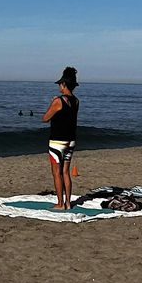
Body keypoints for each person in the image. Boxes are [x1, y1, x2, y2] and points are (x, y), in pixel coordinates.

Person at [42, 67, 79, 210]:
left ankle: (60, 203)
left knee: (56, 172)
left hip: (57, 141)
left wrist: (52, 103)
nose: (59, 86)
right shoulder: (76, 101)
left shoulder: (58, 101)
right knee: (66, 172)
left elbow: (45, 118)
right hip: (71, 140)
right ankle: (68, 203)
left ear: (63, 84)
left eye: (60, 84)